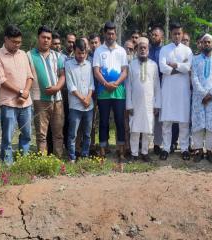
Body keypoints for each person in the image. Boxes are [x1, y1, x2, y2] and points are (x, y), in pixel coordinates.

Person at [0, 25, 34, 164]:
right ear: (6, 39)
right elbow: (1, 80)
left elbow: (30, 76)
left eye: (19, 42)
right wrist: (21, 92)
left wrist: (26, 92)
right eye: (14, 42)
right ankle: (7, 165)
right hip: (8, 103)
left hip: (26, 103)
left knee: (27, 134)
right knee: (8, 137)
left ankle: (23, 162)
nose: (17, 45)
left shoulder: (23, 54)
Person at [28, 25, 65, 157]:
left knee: (58, 133)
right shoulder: (29, 56)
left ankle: (58, 160)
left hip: (57, 100)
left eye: (48, 38)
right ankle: (43, 162)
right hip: (39, 100)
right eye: (43, 37)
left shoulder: (58, 56)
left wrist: (57, 87)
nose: (46, 40)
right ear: (38, 38)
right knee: (41, 134)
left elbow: (62, 75)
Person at [93, 21, 128, 161]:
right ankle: (102, 150)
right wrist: (105, 83)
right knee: (104, 122)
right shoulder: (98, 51)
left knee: (120, 121)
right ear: (104, 34)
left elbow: (125, 71)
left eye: (113, 33)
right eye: (108, 33)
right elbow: (96, 71)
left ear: (116, 34)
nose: (111, 36)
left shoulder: (122, 51)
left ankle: (121, 151)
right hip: (103, 92)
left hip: (119, 92)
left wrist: (116, 83)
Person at [158, 22, 192, 160]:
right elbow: (162, 68)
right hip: (168, 89)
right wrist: (179, 68)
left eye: (179, 33)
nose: (177, 36)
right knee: (167, 121)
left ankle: (184, 148)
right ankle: (166, 148)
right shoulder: (164, 49)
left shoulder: (187, 51)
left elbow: (188, 68)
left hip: (183, 90)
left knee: (183, 121)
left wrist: (175, 65)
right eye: (174, 33)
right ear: (170, 34)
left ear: (182, 34)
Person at [126, 37, 161, 161]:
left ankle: (145, 152)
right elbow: (128, 85)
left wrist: (157, 104)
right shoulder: (131, 65)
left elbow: (157, 86)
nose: (142, 50)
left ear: (148, 49)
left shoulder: (154, 65)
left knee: (147, 129)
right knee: (134, 130)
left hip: (149, 104)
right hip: (135, 103)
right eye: (140, 48)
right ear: (137, 49)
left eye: (144, 48)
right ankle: (134, 154)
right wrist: (129, 105)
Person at [191, 33, 212, 163]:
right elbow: (194, 78)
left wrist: (210, 95)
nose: (207, 44)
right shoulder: (195, 59)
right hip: (198, 98)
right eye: (205, 42)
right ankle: (198, 150)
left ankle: (209, 150)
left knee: (211, 125)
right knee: (198, 124)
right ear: (201, 44)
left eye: (209, 42)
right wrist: (203, 94)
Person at [66, 39, 94, 162]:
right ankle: (72, 157)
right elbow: (71, 86)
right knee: (73, 134)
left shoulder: (89, 64)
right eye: (78, 53)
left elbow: (92, 84)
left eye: (83, 54)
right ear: (74, 51)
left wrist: (88, 98)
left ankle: (84, 155)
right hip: (75, 106)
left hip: (89, 106)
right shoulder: (68, 65)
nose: (81, 56)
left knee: (87, 134)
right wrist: (83, 99)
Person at [149, 26, 164, 155]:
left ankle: (157, 144)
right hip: (147, 87)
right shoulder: (147, 49)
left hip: (161, 87)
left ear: (161, 37)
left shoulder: (164, 51)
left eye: (156, 35)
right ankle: (144, 143)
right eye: (152, 35)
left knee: (158, 116)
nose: (154, 37)